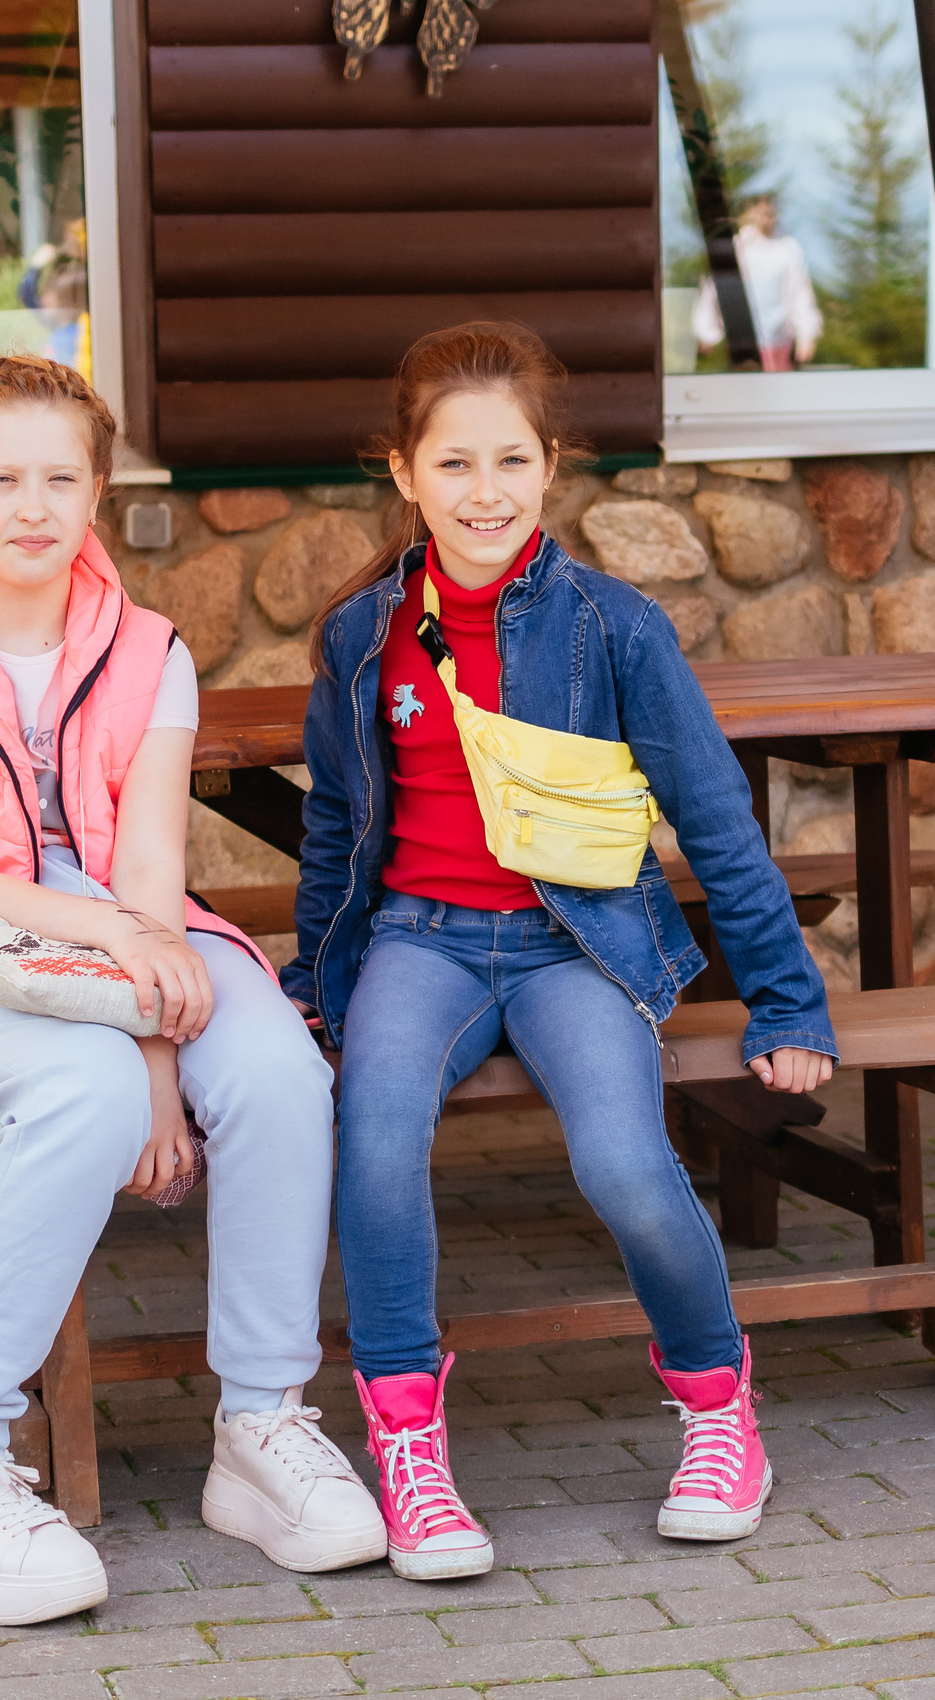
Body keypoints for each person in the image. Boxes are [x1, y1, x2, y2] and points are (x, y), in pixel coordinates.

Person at [287, 322, 839, 1579]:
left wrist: (787, 1005)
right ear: (404, 474)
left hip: (570, 943)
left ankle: (717, 1412)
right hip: (415, 944)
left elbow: (713, 818)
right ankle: (408, 1446)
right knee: (371, 1147)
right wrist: (318, 988)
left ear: (551, 469)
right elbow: (334, 824)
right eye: (454, 465)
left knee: (625, 1165)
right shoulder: (363, 636)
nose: (484, 492)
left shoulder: (615, 627)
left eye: (511, 462)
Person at [0, 354, 381, 1626]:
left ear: (97, 492)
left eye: (60, 478)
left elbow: (149, 862)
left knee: (276, 1072)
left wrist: (161, 1054)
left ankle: (262, 1426)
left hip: (138, 920)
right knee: (83, 1099)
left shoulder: (149, 649)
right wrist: (129, 1040)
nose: (32, 506)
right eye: (2, 478)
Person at [693, 196, 824, 372]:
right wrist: (707, 332)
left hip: (778, 341)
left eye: (770, 213)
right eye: (761, 212)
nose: (767, 218)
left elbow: (801, 293)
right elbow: (713, 292)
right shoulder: (735, 248)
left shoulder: (787, 248)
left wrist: (807, 334)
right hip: (741, 344)